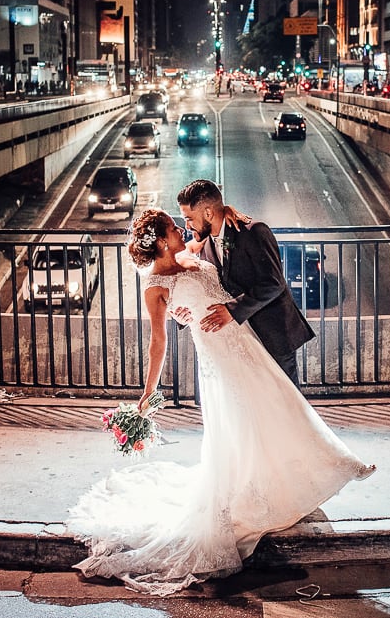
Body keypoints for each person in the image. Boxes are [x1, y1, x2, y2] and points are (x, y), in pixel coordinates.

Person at [68, 209, 374, 595]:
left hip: (247, 345)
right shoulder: (154, 286)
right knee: (241, 425)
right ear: (162, 240)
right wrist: (148, 392)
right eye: (173, 227)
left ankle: (314, 469)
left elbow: (213, 243)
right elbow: (158, 342)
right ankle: (257, 492)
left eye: (181, 223)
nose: (182, 229)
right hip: (218, 358)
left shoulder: (190, 253)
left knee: (277, 408)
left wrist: (226, 211)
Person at [174, 178, 310, 386]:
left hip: (273, 335)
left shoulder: (253, 232)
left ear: (208, 213)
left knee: (287, 404)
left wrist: (232, 310)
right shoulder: (206, 244)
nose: (187, 225)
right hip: (243, 341)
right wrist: (184, 314)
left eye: (189, 218)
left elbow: (274, 283)